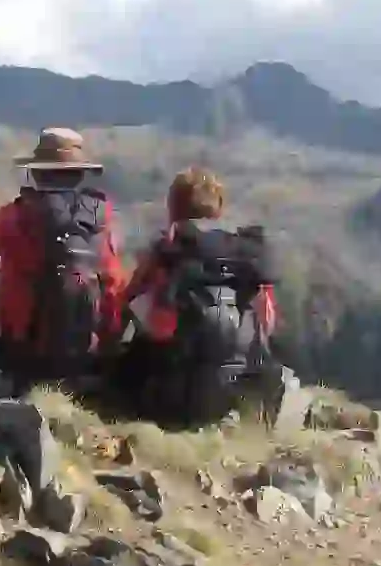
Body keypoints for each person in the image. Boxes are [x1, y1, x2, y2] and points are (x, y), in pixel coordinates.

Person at [0, 127, 127, 396]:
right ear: (79, 174)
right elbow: (113, 286)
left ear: (37, 173)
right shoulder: (101, 221)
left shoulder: (11, 217)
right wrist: (107, 345)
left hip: (18, 356)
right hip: (81, 357)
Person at [117, 166, 279, 428]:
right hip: (237, 397)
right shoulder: (247, 257)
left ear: (174, 208)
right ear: (219, 209)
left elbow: (142, 318)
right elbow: (267, 324)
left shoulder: (168, 255)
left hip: (172, 401)